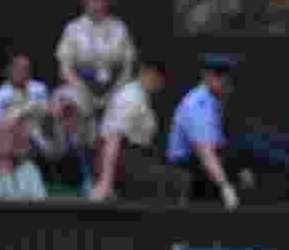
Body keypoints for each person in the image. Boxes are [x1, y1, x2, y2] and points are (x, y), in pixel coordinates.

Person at [92, 60, 191, 204]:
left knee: (179, 178)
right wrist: (105, 182)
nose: (161, 83)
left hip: (135, 159)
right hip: (120, 162)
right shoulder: (130, 97)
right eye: (159, 77)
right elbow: (113, 140)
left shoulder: (141, 95)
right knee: (178, 181)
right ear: (147, 73)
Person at [166, 53, 242, 209]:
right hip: (188, 168)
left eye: (226, 75)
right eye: (218, 75)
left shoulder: (216, 99)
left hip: (207, 161)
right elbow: (205, 153)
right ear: (206, 76)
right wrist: (224, 186)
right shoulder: (197, 105)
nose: (224, 80)